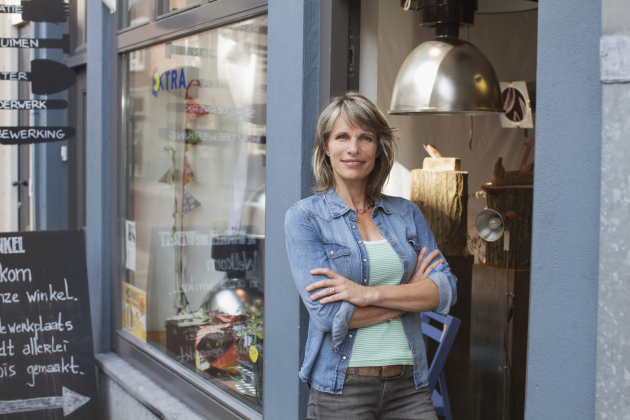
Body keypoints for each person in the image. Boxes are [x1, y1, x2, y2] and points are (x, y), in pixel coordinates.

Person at [284, 91, 458, 420]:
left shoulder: (406, 213)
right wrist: (410, 295)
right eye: (342, 137)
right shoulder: (305, 218)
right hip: (342, 390)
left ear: (377, 148)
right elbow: (328, 316)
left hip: (411, 387)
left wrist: (367, 295)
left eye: (365, 137)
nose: (354, 148)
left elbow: (445, 288)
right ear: (326, 146)